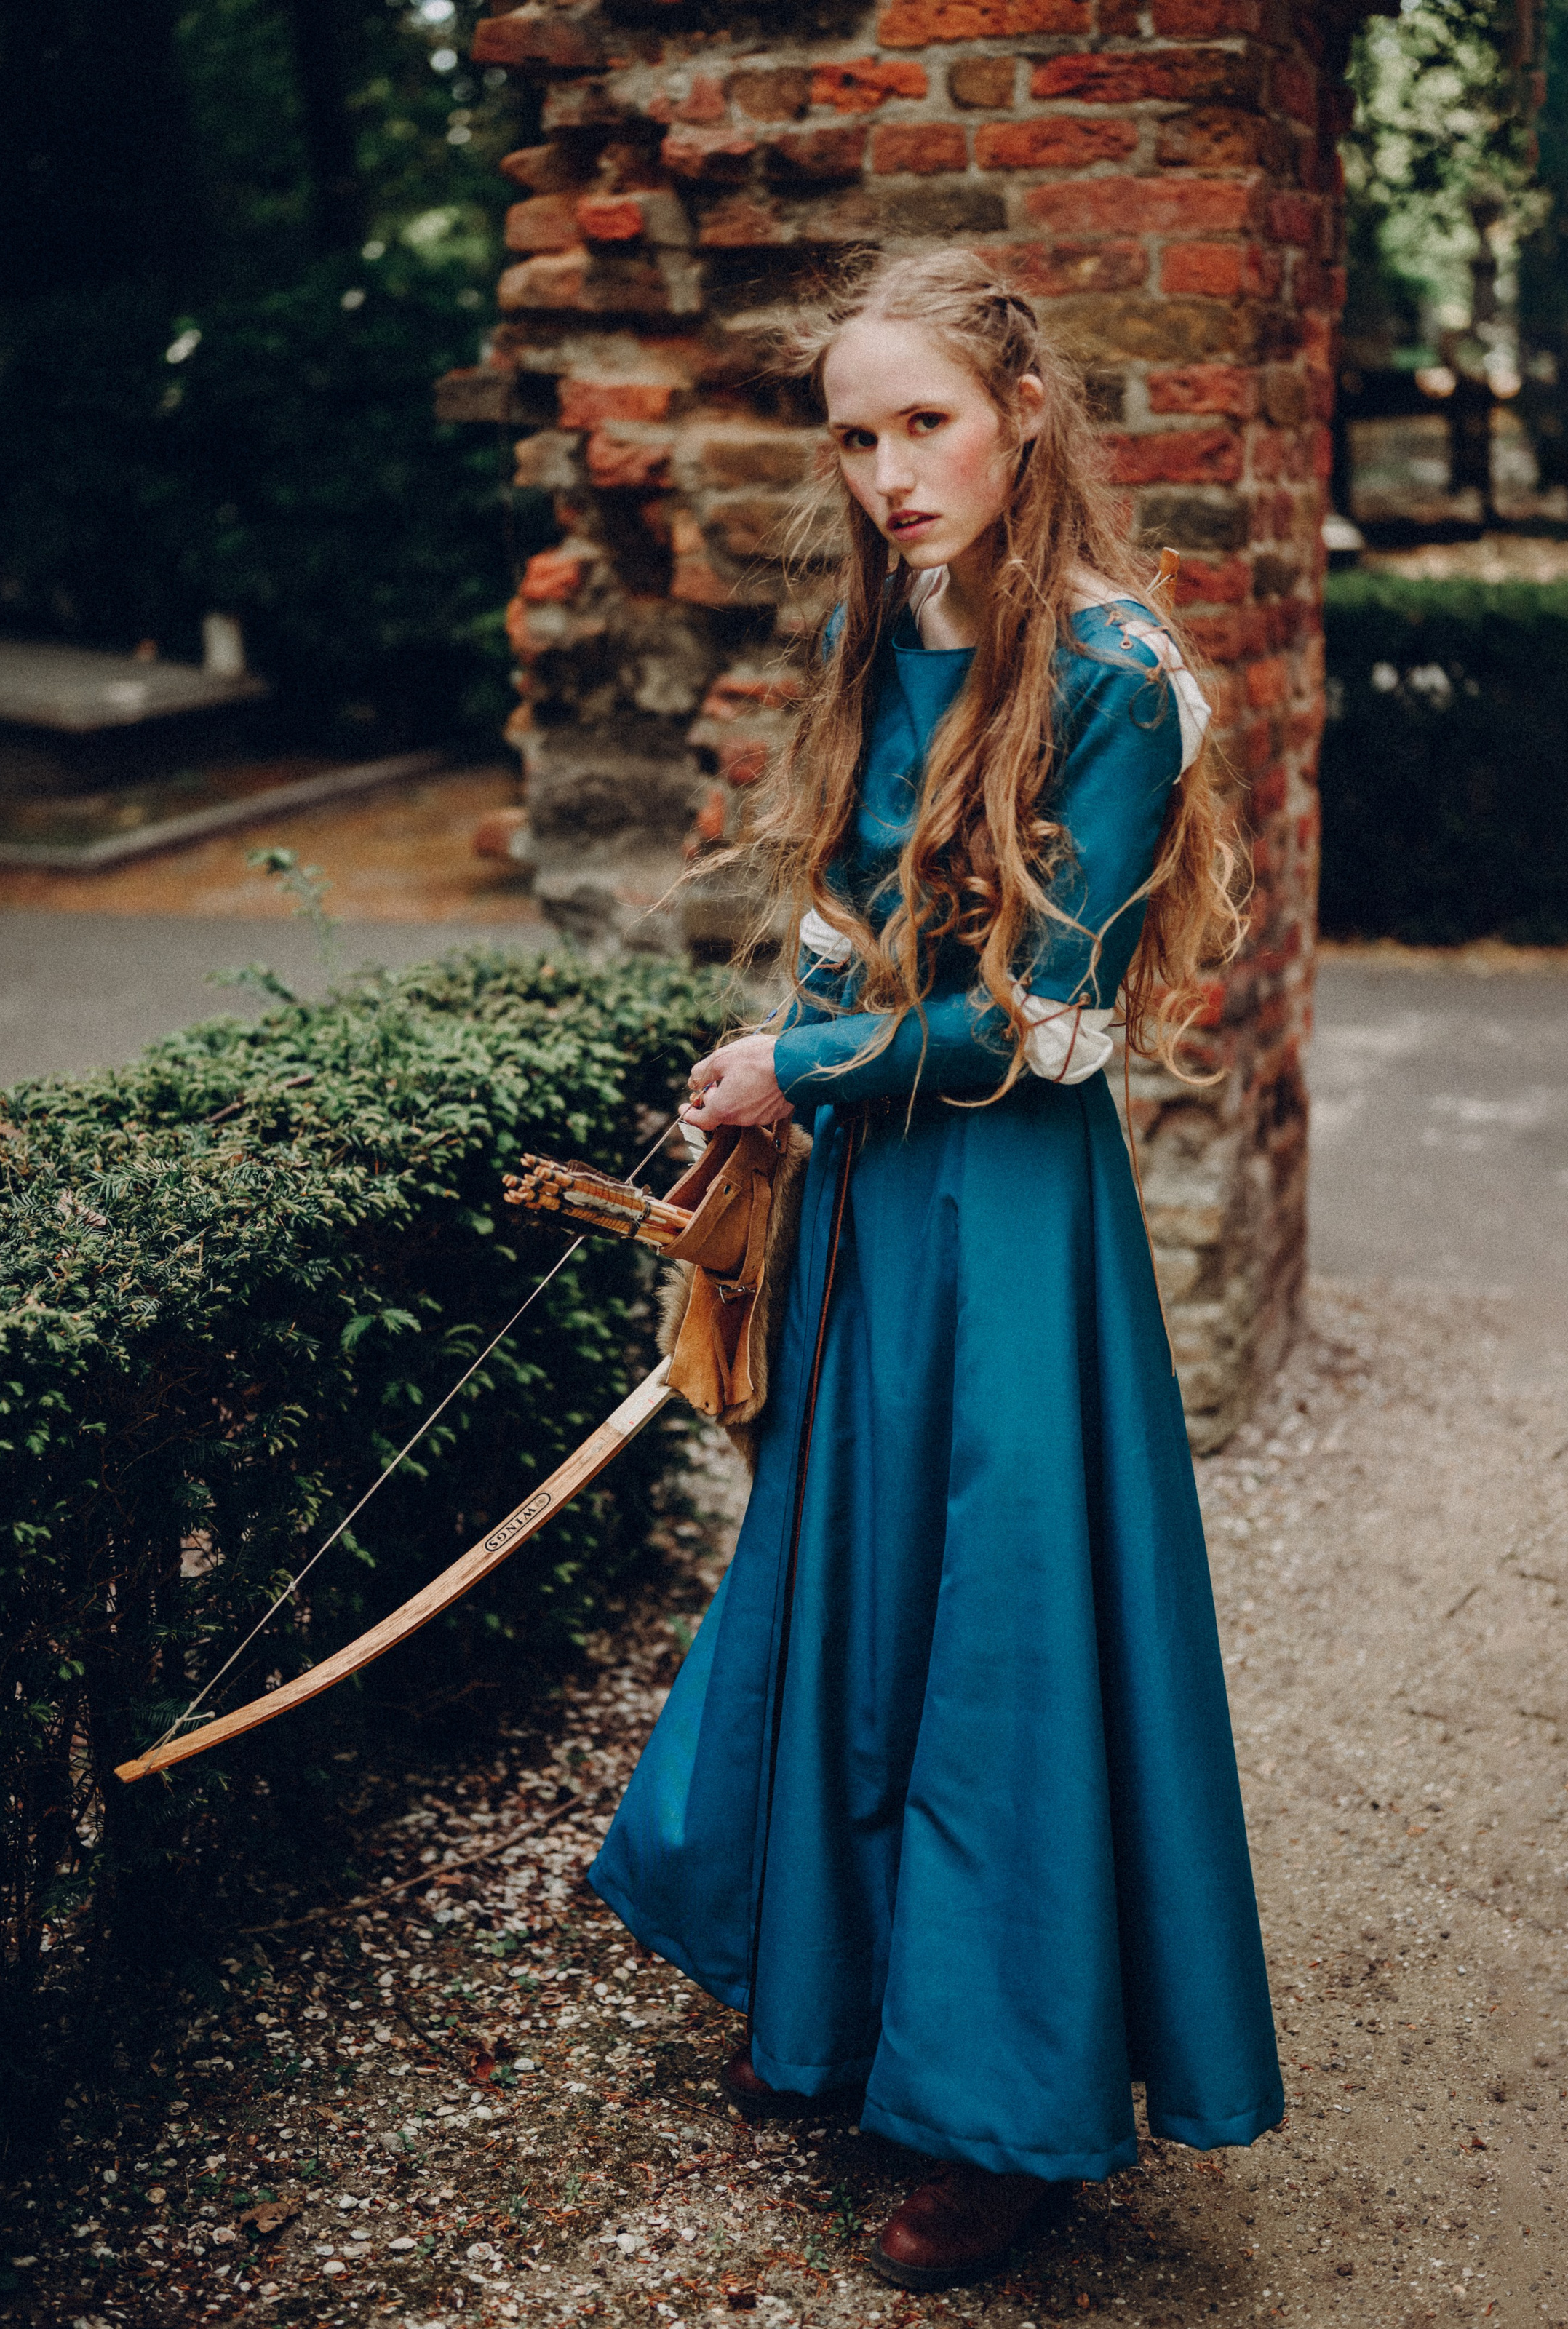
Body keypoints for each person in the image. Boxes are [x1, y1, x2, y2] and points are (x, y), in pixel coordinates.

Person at [587, 250, 1284, 2294]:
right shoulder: (878, 626)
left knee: (1001, 1638)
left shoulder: (1120, 675)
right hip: (869, 1201)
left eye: (928, 425)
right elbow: (844, 924)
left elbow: (1045, 1025)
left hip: (1010, 1214)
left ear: (1023, 416)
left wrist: (802, 1071)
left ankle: (1005, 2111)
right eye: (857, 437)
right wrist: (771, 1071)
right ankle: (835, 2004)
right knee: (852, 1570)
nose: (892, 473)